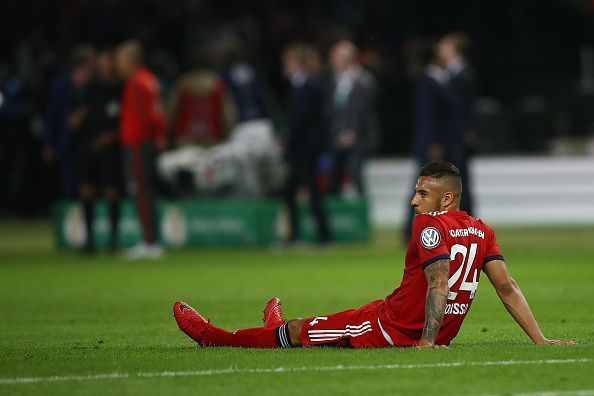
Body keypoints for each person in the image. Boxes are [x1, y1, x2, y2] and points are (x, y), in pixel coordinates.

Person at [173, 161, 575, 348]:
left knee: (299, 331)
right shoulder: (482, 229)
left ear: (445, 197)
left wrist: (427, 343)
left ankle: (215, 337)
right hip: (391, 312)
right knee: (315, 324)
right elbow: (506, 287)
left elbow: (439, 283)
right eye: (415, 191)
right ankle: (271, 327)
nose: (414, 200)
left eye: (423, 193)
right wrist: (540, 340)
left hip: (390, 331)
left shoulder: (429, 226)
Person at [115, 40, 166, 260]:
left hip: (138, 142)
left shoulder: (137, 82)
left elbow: (148, 115)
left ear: (130, 60)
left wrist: (152, 135)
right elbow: (157, 111)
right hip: (144, 141)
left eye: (120, 59)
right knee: (146, 190)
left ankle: (149, 242)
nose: (118, 64)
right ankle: (150, 240)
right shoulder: (149, 79)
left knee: (141, 190)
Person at [280, 43, 331, 246]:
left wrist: (288, 140)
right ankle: (302, 234)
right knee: (292, 191)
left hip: (304, 150)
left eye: (289, 61)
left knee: (308, 192)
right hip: (301, 149)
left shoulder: (308, 85)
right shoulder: (302, 85)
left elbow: (303, 120)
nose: (285, 65)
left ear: (297, 63)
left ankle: (321, 235)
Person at [74, 47, 124, 254]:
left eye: (108, 63)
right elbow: (83, 109)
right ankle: (89, 241)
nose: (105, 68)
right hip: (89, 144)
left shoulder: (122, 88)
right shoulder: (92, 87)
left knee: (112, 191)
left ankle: (113, 241)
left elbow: (126, 118)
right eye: (102, 64)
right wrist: (76, 118)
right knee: (87, 190)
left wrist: (111, 137)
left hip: (111, 147)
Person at [404, 43, 450, 241]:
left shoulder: (436, 80)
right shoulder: (429, 82)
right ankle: (410, 229)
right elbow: (427, 117)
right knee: (423, 187)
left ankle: (417, 228)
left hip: (431, 143)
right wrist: (433, 143)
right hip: (430, 144)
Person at [42, 46, 95, 199]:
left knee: (87, 184)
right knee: (68, 183)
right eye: (90, 65)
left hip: (88, 141)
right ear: (80, 66)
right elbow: (52, 116)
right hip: (66, 141)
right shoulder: (61, 85)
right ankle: (70, 218)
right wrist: (48, 144)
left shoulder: (94, 85)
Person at [327, 40, 377, 196]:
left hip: (356, 138)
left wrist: (352, 132)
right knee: (333, 177)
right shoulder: (333, 80)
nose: (333, 60)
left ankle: (362, 212)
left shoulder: (362, 80)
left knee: (357, 174)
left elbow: (363, 111)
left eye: (337, 56)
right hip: (335, 136)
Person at [437, 32, 477, 216]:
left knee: (461, 180)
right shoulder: (451, 73)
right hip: (452, 135)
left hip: (458, 137)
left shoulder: (462, 73)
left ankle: (467, 220)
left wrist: (467, 132)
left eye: (444, 46)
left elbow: (465, 108)